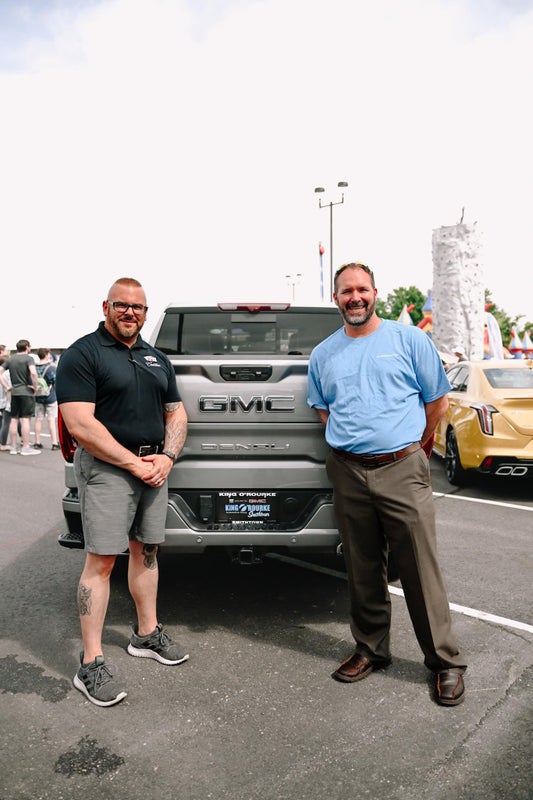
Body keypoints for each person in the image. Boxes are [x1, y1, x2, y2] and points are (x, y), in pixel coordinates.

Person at [308, 262, 466, 707]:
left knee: (419, 567)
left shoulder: (409, 339)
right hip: (347, 469)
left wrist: (414, 447)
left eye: (361, 289)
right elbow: (324, 409)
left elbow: (436, 401)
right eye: (345, 291)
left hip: (402, 467)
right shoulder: (324, 354)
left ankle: (445, 662)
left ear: (375, 292)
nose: (354, 297)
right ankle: (371, 650)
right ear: (336, 298)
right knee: (361, 568)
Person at [56, 277, 189, 707]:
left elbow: (176, 411)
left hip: (153, 466)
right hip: (110, 470)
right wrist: (132, 463)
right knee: (101, 561)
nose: (130, 313)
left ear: (146, 313)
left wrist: (167, 457)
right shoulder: (83, 354)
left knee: (146, 551)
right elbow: (80, 424)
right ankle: (90, 662)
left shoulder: (155, 358)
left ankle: (146, 634)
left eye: (138, 307)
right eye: (122, 305)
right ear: (106, 306)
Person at [0, 339, 40, 456]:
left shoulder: (11, 359)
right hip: (26, 391)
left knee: (14, 419)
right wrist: (35, 386)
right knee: (26, 419)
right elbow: (33, 373)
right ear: (27, 347)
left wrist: (7, 386)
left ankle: (13, 447)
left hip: (14, 392)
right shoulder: (29, 358)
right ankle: (26, 447)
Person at [33, 348, 60, 450]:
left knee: (38, 419)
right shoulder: (51, 367)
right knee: (51, 419)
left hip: (38, 395)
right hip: (50, 396)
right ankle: (54, 443)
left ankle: (37, 441)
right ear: (47, 354)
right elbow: (55, 381)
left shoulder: (34, 367)